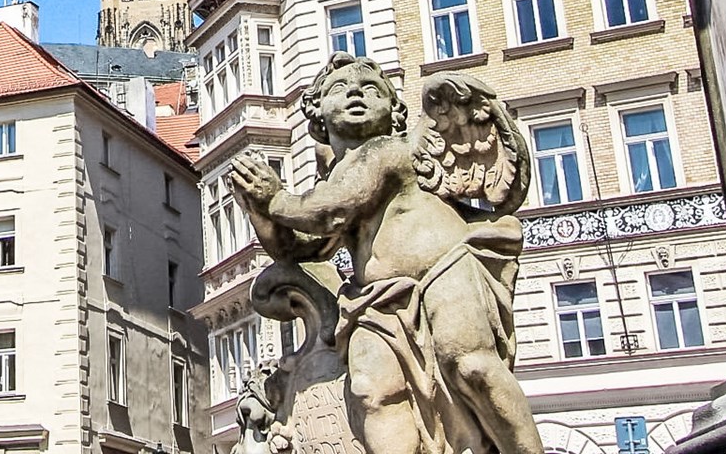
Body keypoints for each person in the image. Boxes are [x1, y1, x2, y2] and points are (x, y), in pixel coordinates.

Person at [229, 55, 542, 454]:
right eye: (339, 89)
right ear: (318, 114)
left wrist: (275, 200)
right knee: (371, 390)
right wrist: (257, 209)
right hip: (374, 302)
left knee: (470, 364)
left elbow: (331, 210)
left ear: (394, 112)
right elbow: (299, 248)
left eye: (371, 89)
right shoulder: (334, 175)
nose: (356, 93)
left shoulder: (389, 150)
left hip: (443, 272)